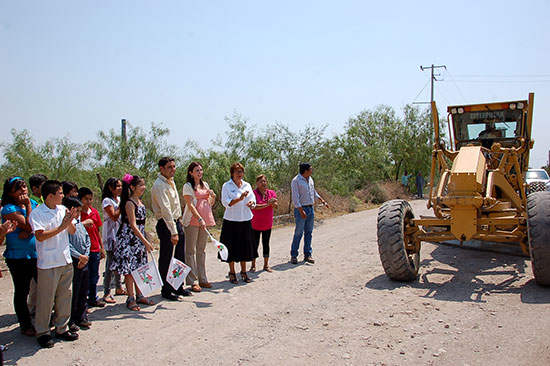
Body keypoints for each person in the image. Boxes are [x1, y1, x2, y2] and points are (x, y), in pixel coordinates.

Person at [29, 180, 80, 348]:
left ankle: (61, 327)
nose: (63, 196)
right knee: (46, 299)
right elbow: (40, 236)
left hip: (64, 260)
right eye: (60, 193)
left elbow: (71, 231)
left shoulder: (62, 210)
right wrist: (61, 226)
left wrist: (70, 221)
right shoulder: (38, 213)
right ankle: (42, 331)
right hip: (48, 263)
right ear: (50, 196)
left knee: (65, 296)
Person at [110, 174, 155, 311]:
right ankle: (131, 298)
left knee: (139, 267)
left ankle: (140, 294)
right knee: (129, 270)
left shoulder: (140, 202)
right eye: (140, 185)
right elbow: (133, 225)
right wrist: (145, 241)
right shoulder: (129, 203)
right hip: (129, 240)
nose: (143, 188)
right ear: (132, 187)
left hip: (138, 240)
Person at [1, 177, 38, 336]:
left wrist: (29, 228)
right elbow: (31, 225)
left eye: (24, 186)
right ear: (10, 192)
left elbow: (38, 225)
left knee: (43, 288)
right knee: (22, 291)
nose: (23, 190)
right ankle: (25, 325)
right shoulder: (8, 209)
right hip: (18, 257)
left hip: (36, 254)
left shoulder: (35, 204)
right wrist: (28, 208)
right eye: (18, 188)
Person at [151, 157, 189, 300]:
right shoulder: (159, 185)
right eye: (169, 167)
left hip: (176, 222)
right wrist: (173, 232)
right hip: (166, 224)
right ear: (162, 169)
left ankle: (178, 286)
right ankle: (166, 289)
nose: (173, 169)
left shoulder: (171, 182)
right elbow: (166, 210)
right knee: (167, 257)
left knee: (179, 256)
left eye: (174, 166)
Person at [182, 162, 216, 292]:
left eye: (201, 170)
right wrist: (199, 218)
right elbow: (190, 205)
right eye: (197, 170)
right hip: (193, 220)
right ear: (191, 173)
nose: (200, 172)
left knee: (201, 250)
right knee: (190, 251)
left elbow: (209, 203)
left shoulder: (205, 185)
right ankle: (192, 280)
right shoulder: (188, 186)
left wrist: (212, 196)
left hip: (205, 220)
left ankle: (203, 278)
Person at [220, 162, 256, 284]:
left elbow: (253, 199)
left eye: (241, 171)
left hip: (245, 219)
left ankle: (244, 272)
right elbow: (226, 202)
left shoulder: (247, 185)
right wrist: (239, 199)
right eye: (237, 172)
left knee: (244, 247)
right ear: (232, 173)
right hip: (231, 221)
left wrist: (251, 203)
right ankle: (232, 272)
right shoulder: (226, 186)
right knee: (231, 247)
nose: (239, 174)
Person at [290, 163, 328, 265]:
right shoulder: (296, 181)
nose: (312, 170)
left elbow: (313, 191)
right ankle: (294, 255)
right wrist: (301, 210)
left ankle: (308, 254)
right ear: (305, 171)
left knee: (309, 232)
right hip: (301, 209)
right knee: (298, 233)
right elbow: (295, 198)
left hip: (310, 208)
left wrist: (321, 200)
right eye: (310, 169)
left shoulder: (310, 179)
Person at [64, 197, 92, 331]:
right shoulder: (66, 227)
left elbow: (87, 240)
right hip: (74, 261)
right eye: (77, 211)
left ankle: (82, 315)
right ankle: (71, 319)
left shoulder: (80, 224)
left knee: (83, 290)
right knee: (73, 292)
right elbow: (67, 245)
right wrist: (79, 256)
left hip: (84, 261)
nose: (79, 213)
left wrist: (85, 255)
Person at [77, 187, 105, 308]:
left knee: (94, 275)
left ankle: (93, 297)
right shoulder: (78, 215)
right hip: (83, 250)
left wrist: (101, 246)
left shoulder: (94, 212)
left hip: (94, 248)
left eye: (90, 199)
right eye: (86, 199)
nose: (89, 201)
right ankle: (83, 302)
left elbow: (98, 230)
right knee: (83, 277)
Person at [101, 178, 125, 303]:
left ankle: (119, 286)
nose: (120, 188)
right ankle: (106, 292)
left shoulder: (118, 200)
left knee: (118, 261)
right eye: (117, 186)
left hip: (119, 233)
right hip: (111, 234)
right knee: (110, 263)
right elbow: (114, 216)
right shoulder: (107, 201)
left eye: (121, 186)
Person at [250, 174, 277, 273]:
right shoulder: (253, 193)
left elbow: (276, 206)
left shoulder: (271, 193)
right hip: (255, 224)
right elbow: (254, 207)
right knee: (255, 244)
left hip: (267, 224)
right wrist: (267, 204)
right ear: (257, 183)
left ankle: (266, 265)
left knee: (266, 244)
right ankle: (253, 265)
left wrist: (273, 203)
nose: (263, 183)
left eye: (264, 181)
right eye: (261, 181)